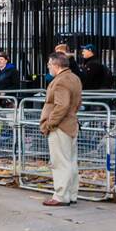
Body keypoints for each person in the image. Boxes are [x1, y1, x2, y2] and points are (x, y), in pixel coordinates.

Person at [39, 51, 82, 207]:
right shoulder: (74, 78)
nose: (49, 67)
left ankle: (61, 195)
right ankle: (71, 194)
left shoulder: (60, 81)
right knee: (71, 161)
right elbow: (76, 103)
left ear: (56, 65)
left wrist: (50, 123)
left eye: (49, 64)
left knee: (60, 162)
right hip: (71, 123)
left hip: (60, 126)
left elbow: (61, 105)